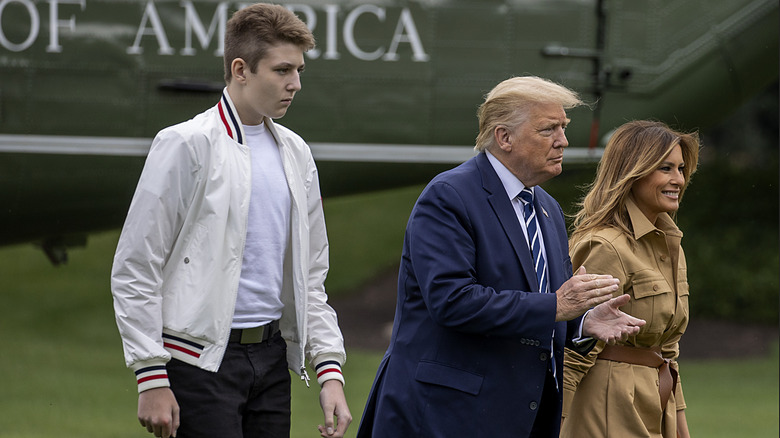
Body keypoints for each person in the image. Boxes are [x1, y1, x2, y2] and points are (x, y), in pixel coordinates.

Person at [356, 76, 646, 438]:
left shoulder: (547, 208)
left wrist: (581, 322)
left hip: (522, 415)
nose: (563, 141)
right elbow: (452, 301)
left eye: (564, 128)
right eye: (548, 129)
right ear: (504, 137)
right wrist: (557, 306)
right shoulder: (449, 196)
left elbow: (539, 302)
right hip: (446, 416)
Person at [110, 4, 351, 438]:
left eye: (298, 70)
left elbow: (310, 276)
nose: (295, 84)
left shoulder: (297, 153)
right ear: (241, 68)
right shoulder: (184, 144)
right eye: (282, 70)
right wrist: (151, 374)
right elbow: (135, 267)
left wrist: (329, 370)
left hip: (273, 361)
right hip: (197, 363)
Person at [561, 120, 700, 438]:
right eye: (665, 168)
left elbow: (668, 352)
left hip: (655, 402)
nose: (677, 179)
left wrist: (680, 430)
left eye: (680, 169)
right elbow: (573, 346)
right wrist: (550, 423)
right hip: (608, 409)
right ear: (633, 172)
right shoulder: (604, 244)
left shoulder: (669, 242)